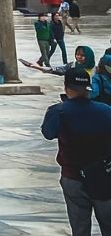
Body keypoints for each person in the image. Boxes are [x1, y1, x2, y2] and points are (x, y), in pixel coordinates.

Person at [41, 65, 111, 235]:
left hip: (72, 176)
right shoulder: (106, 111)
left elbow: (48, 133)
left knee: (79, 227)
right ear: (88, 88)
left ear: (66, 87)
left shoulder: (58, 111)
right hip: (104, 177)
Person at [21, 46, 96, 77]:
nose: (79, 57)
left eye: (82, 55)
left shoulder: (96, 70)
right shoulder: (72, 65)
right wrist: (39, 68)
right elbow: (57, 70)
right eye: (77, 54)